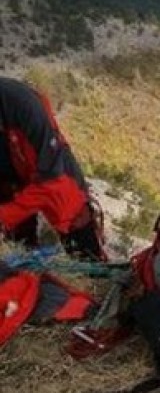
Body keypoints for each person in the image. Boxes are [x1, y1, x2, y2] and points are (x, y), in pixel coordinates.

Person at [0, 77, 106, 261]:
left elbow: (50, 180)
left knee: (83, 248)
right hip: (11, 178)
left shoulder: (24, 106)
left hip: (54, 179)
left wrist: (4, 216)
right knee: (18, 250)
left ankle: (95, 277)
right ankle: (25, 271)